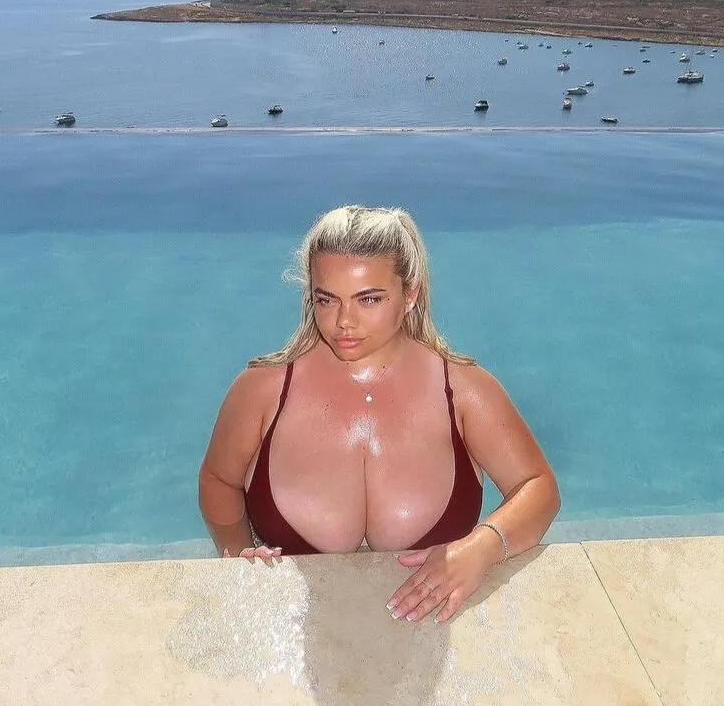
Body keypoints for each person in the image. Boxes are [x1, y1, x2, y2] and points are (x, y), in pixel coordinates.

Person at [198, 205, 559, 624]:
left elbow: (539, 488)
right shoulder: (262, 391)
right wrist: (238, 555)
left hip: (431, 639)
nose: (344, 322)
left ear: (410, 294)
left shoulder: (462, 392)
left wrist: (480, 548)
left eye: (368, 299)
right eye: (326, 299)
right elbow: (218, 481)